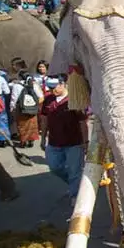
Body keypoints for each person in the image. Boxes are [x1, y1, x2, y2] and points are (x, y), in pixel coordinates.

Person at [40, 76, 88, 207]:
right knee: (54, 167)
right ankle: (77, 184)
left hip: (74, 143)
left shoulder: (74, 99)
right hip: (54, 142)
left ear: (63, 84)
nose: (51, 90)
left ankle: (75, 195)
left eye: (53, 87)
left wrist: (85, 141)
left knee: (74, 171)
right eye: (49, 87)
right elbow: (44, 119)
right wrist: (43, 137)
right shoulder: (48, 100)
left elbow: (83, 122)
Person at [9, 71, 42, 148]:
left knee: (22, 125)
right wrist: (35, 105)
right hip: (32, 109)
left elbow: (14, 99)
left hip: (21, 109)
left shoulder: (16, 86)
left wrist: (12, 108)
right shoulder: (34, 84)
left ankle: (23, 141)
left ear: (20, 77)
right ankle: (31, 141)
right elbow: (40, 96)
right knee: (32, 125)